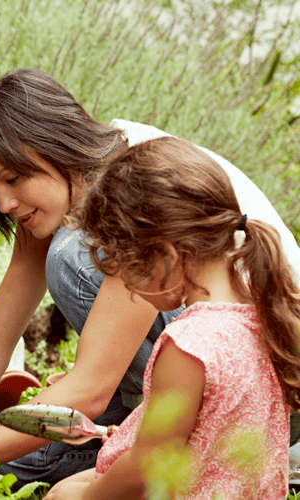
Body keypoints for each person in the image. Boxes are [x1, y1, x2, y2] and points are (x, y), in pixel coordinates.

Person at [0, 68, 300, 500]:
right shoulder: (64, 180)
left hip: (261, 401)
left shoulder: (135, 190)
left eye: (12, 178)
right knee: (15, 470)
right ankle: (115, 436)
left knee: (68, 256)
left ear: (53, 144)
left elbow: (90, 387)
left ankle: (138, 431)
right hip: (239, 382)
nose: (3, 203)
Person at [43, 136, 300, 500]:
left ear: (164, 255)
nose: (129, 290)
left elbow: (148, 469)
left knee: (63, 492)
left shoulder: (189, 346)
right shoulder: (264, 314)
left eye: (125, 269)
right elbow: (214, 425)